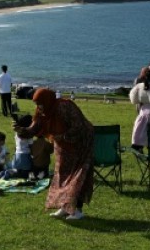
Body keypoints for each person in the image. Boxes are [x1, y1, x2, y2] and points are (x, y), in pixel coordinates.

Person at [13, 88, 94, 221]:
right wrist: (21, 130)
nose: (38, 106)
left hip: (81, 144)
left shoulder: (65, 106)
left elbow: (78, 126)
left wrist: (63, 136)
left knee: (77, 178)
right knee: (62, 175)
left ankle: (77, 211)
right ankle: (64, 207)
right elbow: (34, 129)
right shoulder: (42, 111)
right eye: (36, 104)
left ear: (47, 100)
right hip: (62, 146)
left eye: (40, 103)